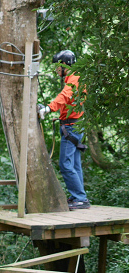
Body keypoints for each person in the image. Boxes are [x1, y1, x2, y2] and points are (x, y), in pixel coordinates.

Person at [38, 50, 89, 210]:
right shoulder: (76, 78)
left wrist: (48, 108)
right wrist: (60, 116)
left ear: (64, 65)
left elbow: (65, 96)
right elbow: (71, 102)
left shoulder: (74, 80)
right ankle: (79, 197)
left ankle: (80, 198)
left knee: (65, 164)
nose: (56, 70)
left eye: (57, 67)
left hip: (71, 127)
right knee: (74, 164)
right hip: (73, 124)